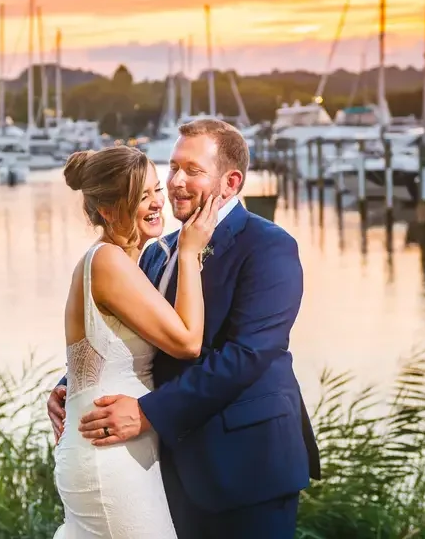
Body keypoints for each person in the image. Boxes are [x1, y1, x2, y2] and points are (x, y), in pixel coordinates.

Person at [49, 118, 320, 539]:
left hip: (247, 467)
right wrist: (77, 383)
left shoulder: (268, 246)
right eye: (173, 167)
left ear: (230, 183)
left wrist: (147, 413)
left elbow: (245, 356)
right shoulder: (163, 250)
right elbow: (138, 336)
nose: (175, 182)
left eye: (192, 170)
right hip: (171, 470)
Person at [53, 144, 220, 539]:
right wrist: (190, 252)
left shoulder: (124, 262)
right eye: (141, 196)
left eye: (156, 190)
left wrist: (66, 386)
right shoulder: (108, 261)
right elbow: (187, 341)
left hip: (115, 452)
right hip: (109, 457)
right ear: (109, 211)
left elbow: (98, 356)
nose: (157, 203)